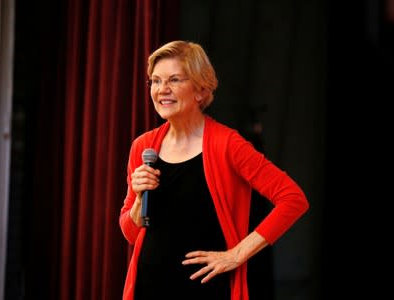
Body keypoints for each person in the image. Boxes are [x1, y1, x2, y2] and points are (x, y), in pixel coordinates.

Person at [119, 40, 309, 300]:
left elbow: (293, 199)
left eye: (174, 80)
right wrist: (139, 200)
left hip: (207, 288)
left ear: (200, 90)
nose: (162, 90)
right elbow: (131, 233)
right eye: (155, 81)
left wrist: (237, 255)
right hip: (149, 285)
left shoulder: (228, 144)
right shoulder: (143, 147)